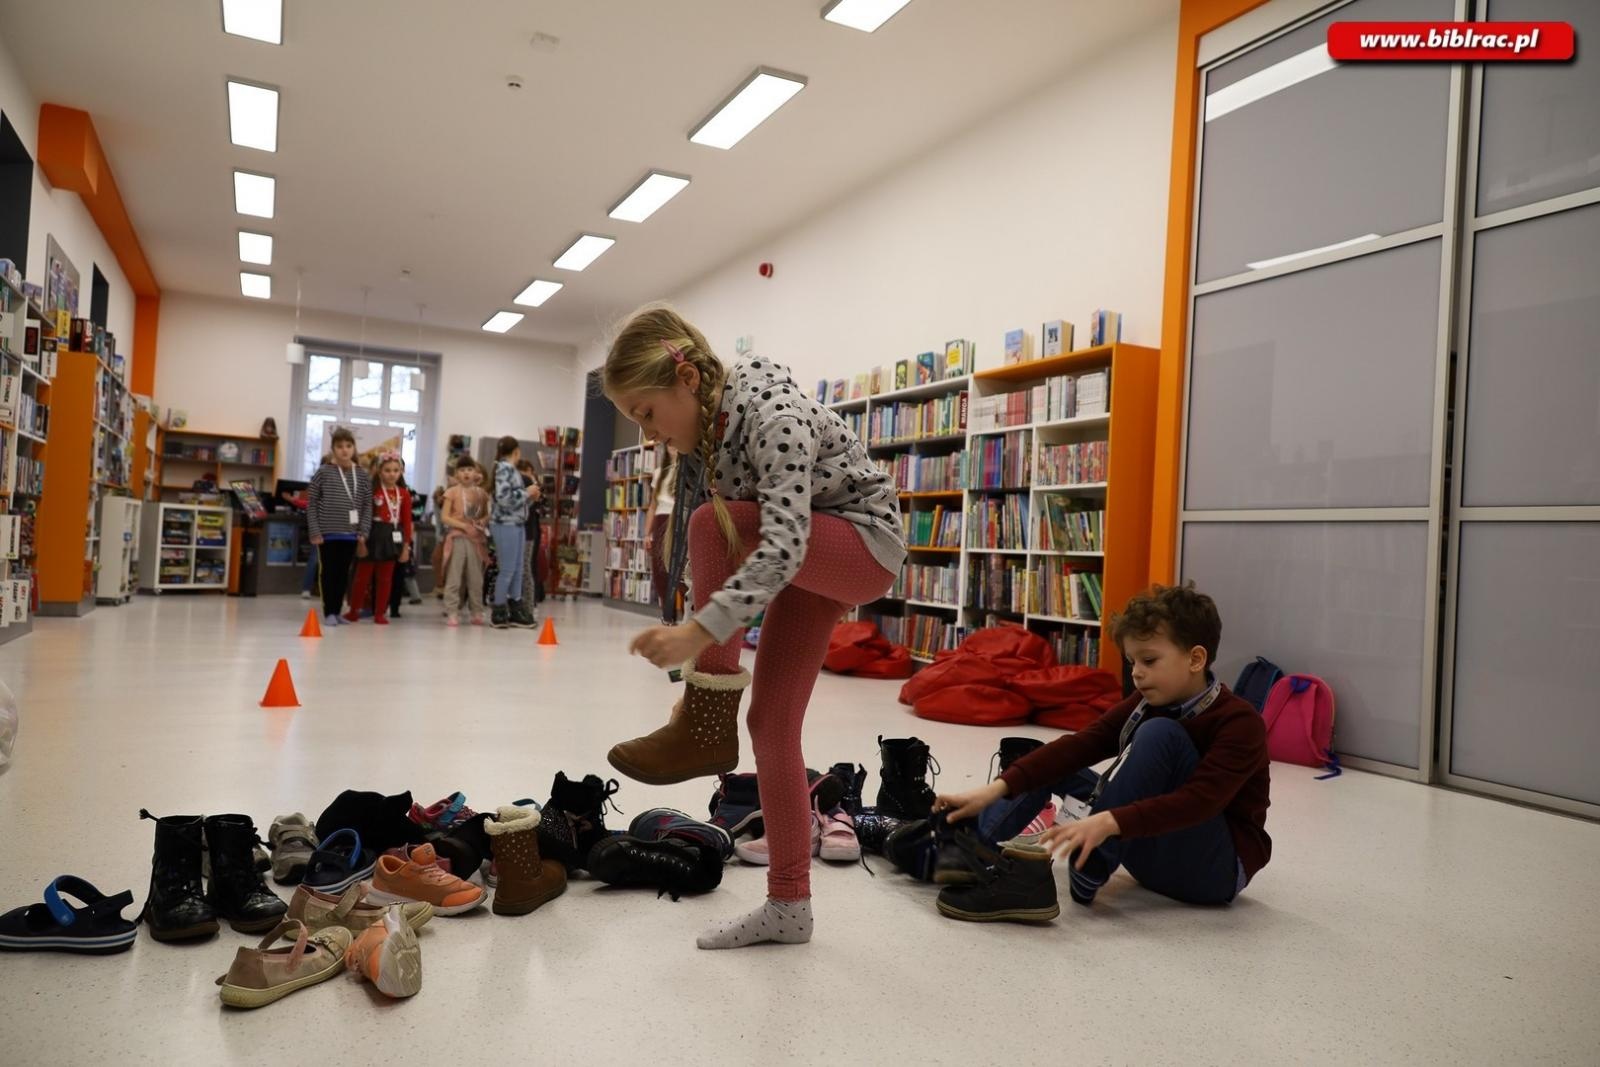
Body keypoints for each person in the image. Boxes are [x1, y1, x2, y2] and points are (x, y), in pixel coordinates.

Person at [602, 304, 905, 950]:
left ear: (684, 379)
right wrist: (690, 619)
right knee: (769, 723)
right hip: (814, 552)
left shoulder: (772, 414)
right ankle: (788, 904)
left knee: (715, 524)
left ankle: (703, 723)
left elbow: (782, 542)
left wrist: (697, 637)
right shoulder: (709, 434)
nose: (649, 434)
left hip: (864, 543)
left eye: (648, 413)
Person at [934, 583, 1272, 920]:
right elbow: (1081, 745)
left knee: (1160, 733)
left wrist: (1108, 821)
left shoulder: (1240, 722)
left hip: (1211, 872)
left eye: (1149, 660)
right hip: (1143, 842)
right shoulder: (1146, 702)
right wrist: (994, 790)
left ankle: (1089, 866)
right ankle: (970, 853)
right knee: (1054, 759)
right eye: (1132, 661)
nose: (1137, 673)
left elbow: (1201, 801)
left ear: (1196, 658)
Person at [306, 429, 371, 627]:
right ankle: (329, 612)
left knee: (343, 574)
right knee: (328, 573)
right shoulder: (323, 472)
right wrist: (315, 531)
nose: (344, 451)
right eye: (340, 446)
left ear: (354, 448)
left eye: (348, 446)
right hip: (327, 534)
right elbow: (312, 502)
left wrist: (363, 531)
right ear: (333, 449)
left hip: (351, 534)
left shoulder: (361, 474)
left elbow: (367, 505)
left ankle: (337, 611)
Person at [344, 452, 413, 625]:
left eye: (396, 470)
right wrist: (360, 536)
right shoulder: (372, 490)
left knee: (385, 578)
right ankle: (354, 610)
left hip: (392, 536)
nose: (392, 474)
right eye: (388, 470)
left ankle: (380, 613)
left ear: (401, 472)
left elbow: (407, 521)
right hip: (372, 534)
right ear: (379, 471)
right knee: (362, 576)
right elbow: (360, 513)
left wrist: (406, 547)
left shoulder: (404, 494)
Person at [488, 436, 540, 629]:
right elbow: (503, 498)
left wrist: (530, 496)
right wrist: (527, 492)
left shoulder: (511, 470)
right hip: (505, 524)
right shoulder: (504, 469)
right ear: (516, 452)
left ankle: (515, 605)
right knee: (508, 569)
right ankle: (499, 609)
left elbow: (514, 500)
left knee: (518, 569)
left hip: (517, 523)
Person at [439, 458, 490, 627]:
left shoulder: (482, 494)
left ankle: (477, 610)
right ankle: (452, 610)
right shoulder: (452, 492)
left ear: (476, 473)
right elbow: (445, 517)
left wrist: (482, 521)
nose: (466, 473)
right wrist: (463, 526)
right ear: (456, 474)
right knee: (454, 576)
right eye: (462, 470)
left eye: (470, 469)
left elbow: (487, 514)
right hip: (457, 538)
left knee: (476, 578)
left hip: (476, 539)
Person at [645, 447, 686, 622]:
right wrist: (646, 534)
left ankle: (686, 614)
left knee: (682, 569)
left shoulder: (688, 470)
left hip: (679, 519)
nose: (672, 448)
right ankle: (667, 615)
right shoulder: (659, 473)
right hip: (660, 521)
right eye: (668, 445)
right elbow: (652, 506)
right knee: (659, 570)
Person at [515, 458, 544, 617]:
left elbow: (535, 504)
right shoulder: (517, 485)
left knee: (527, 567)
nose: (528, 475)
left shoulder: (532, 487)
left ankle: (528, 604)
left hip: (529, 530)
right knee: (520, 568)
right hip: (520, 529)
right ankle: (518, 603)